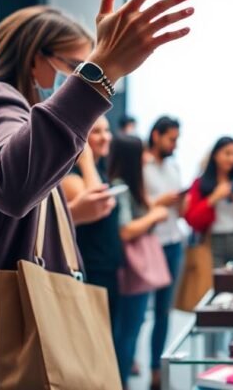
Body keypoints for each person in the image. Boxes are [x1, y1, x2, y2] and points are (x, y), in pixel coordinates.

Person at [0, 0, 194, 389]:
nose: (77, 77)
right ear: (35, 57)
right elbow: (11, 184)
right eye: (74, 67)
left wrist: (68, 213)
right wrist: (102, 69)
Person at [109, 135, 172, 388]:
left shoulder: (127, 185)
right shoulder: (122, 186)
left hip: (128, 269)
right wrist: (155, 215)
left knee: (130, 330)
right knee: (128, 331)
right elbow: (125, 230)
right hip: (131, 268)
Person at [60, 115, 121, 324]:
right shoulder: (72, 176)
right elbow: (98, 206)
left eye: (107, 130)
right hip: (90, 268)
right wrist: (85, 158)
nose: (105, 137)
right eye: (96, 131)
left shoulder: (100, 170)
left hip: (107, 266)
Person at [143, 115, 186, 390]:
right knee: (137, 310)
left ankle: (156, 369)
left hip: (173, 242)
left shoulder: (174, 168)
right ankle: (128, 362)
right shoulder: (141, 167)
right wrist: (160, 201)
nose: (175, 145)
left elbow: (179, 211)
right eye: (171, 139)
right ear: (156, 136)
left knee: (163, 310)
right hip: (149, 244)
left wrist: (181, 202)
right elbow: (136, 205)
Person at [184, 137, 233, 266]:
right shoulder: (200, 183)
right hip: (212, 239)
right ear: (215, 155)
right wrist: (212, 199)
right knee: (213, 277)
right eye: (227, 153)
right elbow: (192, 220)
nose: (232, 159)